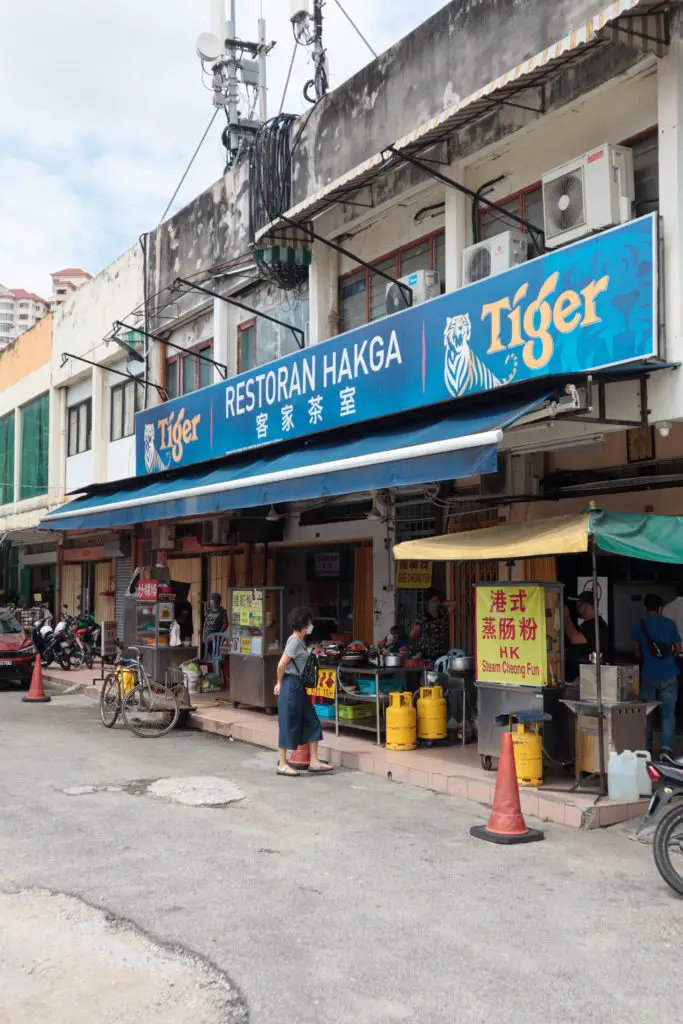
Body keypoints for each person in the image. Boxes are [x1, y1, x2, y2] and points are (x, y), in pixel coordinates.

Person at [274, 606, 333, 777]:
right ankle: (283, 764)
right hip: (291, 684)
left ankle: (314, 761)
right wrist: (279, 682)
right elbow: (281, 665)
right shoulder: (293, 641)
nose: (311, 625)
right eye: (309, 623)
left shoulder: (300, 641)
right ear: (304, 624)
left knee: (312, 719)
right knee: (288, 721)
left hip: (298, 685)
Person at [631, 593, 681, 756]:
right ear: (660, 609)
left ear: (645, 609)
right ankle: (666, 750)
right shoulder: (670, 625)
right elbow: (678, 649)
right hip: (669, 674)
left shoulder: (639, 625)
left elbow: (637, 652)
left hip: (648, 675)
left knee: (647, 713)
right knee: (668, 713)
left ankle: (647, 747)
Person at [563, 590, 610, 681]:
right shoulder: (588, 624)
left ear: (586, 605)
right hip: (582, 676)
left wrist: (566, 616)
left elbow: (574, 638)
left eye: (579, 605)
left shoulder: (596, 625)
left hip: (587, 677)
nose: (578, 609)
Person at [409, 588, 454, 662]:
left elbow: (453, 604)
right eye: (433, 601)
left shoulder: (444, 616)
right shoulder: (422, 618)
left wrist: (440, 603)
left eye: (437, 601)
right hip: (426, 656)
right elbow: (413, 634)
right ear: (428, 603)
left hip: (442, 656)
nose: (436, 603)